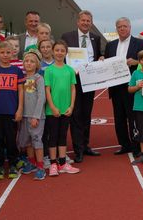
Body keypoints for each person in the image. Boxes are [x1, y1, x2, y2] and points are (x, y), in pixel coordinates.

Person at [61, 10, 103, 163]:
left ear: (91, 23)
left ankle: (85, 145)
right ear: (78, 22)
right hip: (74, 80)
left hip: (90, 80)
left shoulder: (95, 38)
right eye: (83, 20)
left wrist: (101, 57)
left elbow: (97, 55)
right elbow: (62, 56)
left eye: (88, 21)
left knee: (86, 114)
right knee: (76, 114)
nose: (86, 23)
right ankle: (78, 149)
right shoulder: (67, 37)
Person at [105, 17, 143, 155]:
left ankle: (136, 146)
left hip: (133, 87)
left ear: (130, 27)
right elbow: (106, 64)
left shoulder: (141, 43)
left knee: (133, 117)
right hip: (116, 87)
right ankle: (124, 145)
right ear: (116, 29)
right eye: (119, 26)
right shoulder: (110, 46)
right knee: (119, 118)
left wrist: (136, 62)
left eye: (125, 26)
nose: (122, 28)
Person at [0, 40, 25, 179]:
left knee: (11, 139)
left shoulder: (17, 71)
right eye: (2, 52)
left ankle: (13, 163)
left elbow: (21, 91)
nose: (6, 55)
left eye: (8, 52)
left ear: (12, 53)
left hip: (12, 111)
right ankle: (0, 164)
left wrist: (20, 109)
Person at [45, 40, 80, 175]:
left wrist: (71, 106)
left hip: (66, 110)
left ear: (66, 53)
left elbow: (73, 89)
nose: (59, 53)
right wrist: (52, 107)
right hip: (52, 110)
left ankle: (62, 163)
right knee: (52, 136)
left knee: (63, 136)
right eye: (57, 50)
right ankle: (53, 164)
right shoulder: (49, 70)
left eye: (62, 51)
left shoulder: (70, 70)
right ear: (53, 52)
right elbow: (47, 90)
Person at [17, 50, 47, 180]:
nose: (29, 63)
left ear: (37, 65)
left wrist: (36, 116)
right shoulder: (22, 79)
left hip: (36, 117)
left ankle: (41, 167)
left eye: (32, 61)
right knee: (27, 141)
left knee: (36, 140)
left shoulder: (38, 79)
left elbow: (41, 98)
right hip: (24, 116)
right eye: (26, 61)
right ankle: (32, 162)